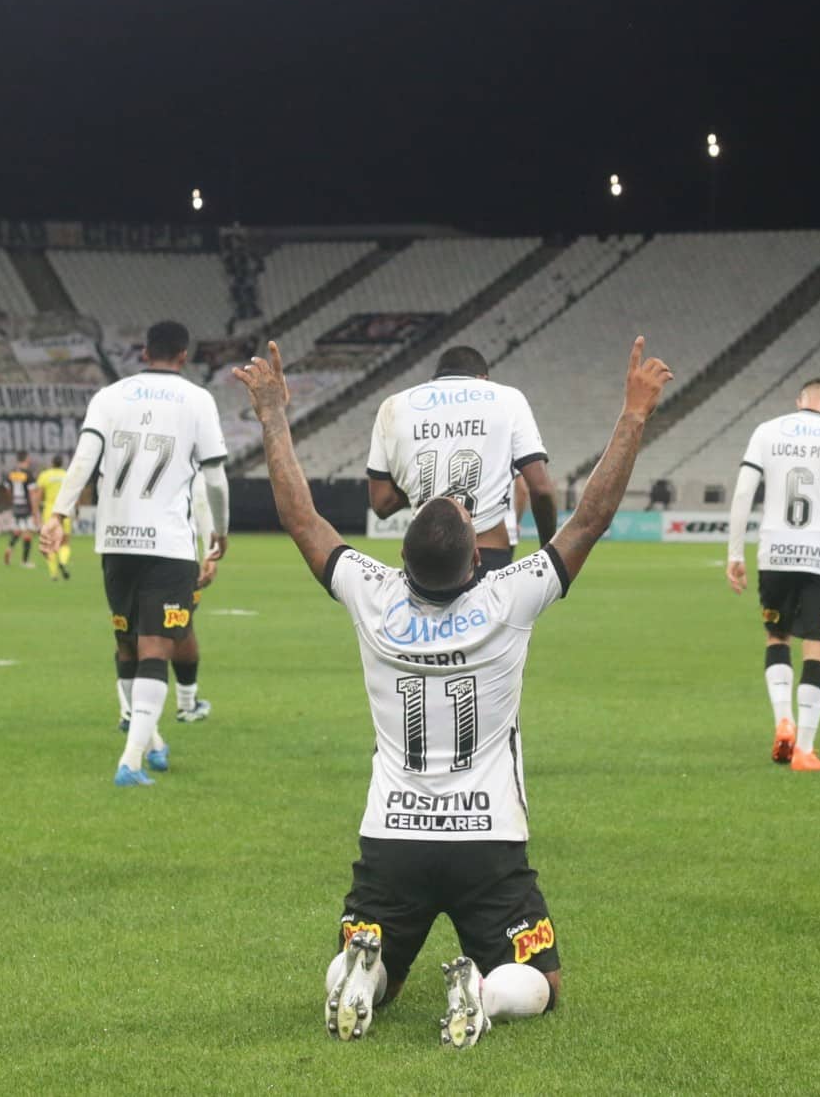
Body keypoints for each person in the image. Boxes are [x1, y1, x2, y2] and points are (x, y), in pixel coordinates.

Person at [233, 335, 672, 1048]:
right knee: (542, 979)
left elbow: (302, 519)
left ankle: (359, 974)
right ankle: (486, 995)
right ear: (478, 554)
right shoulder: (508, 597)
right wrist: (633, 414)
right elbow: (587, 517)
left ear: (399, 557)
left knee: (386, 972)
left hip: (392, 835)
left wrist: (274, 417)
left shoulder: (370, 594)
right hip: (487, 839)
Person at [40, 320, 230, 785]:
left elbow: (83, 460)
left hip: (115, 541)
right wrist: (220, 535)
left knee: (127, 642)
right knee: (155, 648)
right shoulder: (198, 401)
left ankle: (153, 740)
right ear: (184, 356)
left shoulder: (109, 397)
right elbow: (214, 479)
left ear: (143, 353)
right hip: (168, 543)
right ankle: (129, 762)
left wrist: (58, 517)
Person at [724, 378, 820, 772]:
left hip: (774, 553)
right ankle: (804, 749)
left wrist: (735, 553)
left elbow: (742, 494)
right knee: (817, 647)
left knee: (777, 636)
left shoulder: (767, 431)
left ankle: (782, 721)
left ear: (799, 401)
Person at [366, 346, 557, 570]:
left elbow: (381, 503)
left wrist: (431, 481)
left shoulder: (394, 406)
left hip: (423, 556)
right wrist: (548, 551)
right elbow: (541, 489)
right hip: (488, 551)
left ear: (434, 378)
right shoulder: (508, 398)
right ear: (483, 378)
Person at [35, 453, 72, 582]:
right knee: (65, 541)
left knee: (49, 543)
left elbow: (38, 495)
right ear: (61, 463)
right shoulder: (66, 475)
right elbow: (73, 493)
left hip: (50, 511)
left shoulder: (45, 475)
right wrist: (76, 509)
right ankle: (62, 561)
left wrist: (35, 512)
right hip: (64, 510)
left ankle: (53, 573)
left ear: (52, 463)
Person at [3, 453, 36, 567]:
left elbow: (7, 489)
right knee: (28, 533)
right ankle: (25, 561)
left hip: (16, 504)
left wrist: (12, 499)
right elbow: (32, 494)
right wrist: (35, 510)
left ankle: (10, 547)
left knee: (18, 529)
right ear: (26, 459)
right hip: (26, 505)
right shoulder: (28, 474)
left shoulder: (11, 473)